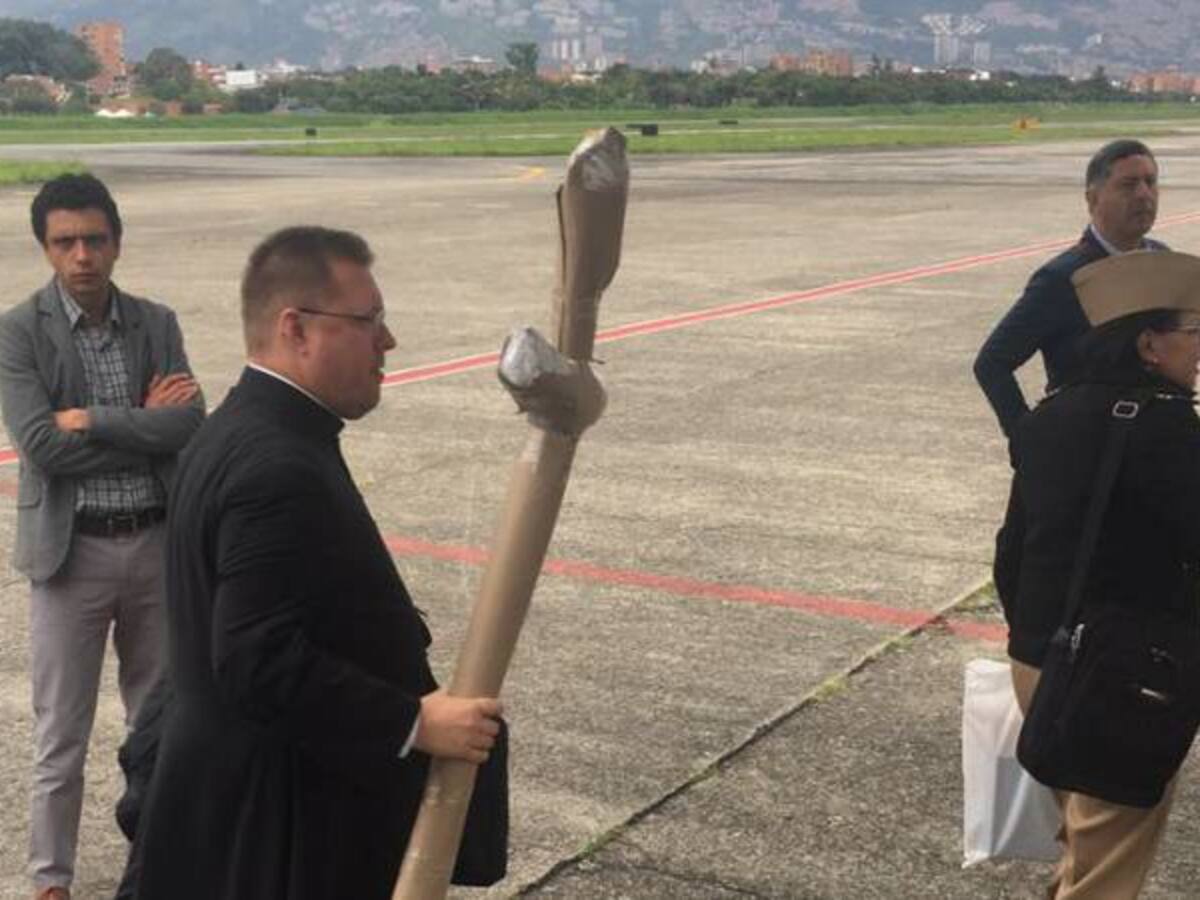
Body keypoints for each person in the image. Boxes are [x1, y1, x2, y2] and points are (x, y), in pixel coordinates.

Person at [130, 226, 505, 899]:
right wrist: (415, 722)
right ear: (296, 329)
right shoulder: (276, 466)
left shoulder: (239, 431)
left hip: (223, 804)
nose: (386, 341)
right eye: (369, 321)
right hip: (277, 834)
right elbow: (253, 657)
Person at [0, 174, 203, 900]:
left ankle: (156, 866)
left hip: (154, 546)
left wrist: (91, 419)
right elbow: (41, 448)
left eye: (95, 239)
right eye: (65, 242)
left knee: (160, 729)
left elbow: (187, 423)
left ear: (117, 242)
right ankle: (50, 881)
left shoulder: (156, 322)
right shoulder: (19, 331)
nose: (82, 255)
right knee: (61, 737)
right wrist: (140, 424)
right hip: (71, 555)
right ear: (46, 249)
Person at [996, 250, 1200, 898]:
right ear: (1148, 342)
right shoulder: (1176, 433)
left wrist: (1038, 638)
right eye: (1194, 332)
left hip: (1038, 665)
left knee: (1083, 841)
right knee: (1109, 872)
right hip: (1126, 677)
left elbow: (1010, 556)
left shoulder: (1048, 419)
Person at [975, 139, 1165, 443]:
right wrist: (1027, 440)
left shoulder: (1163, 260)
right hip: (1093, 446)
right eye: (1129, 185)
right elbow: (992, 363)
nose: (1144, 194)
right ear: (1093, 199)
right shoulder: (1064, 278)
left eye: (1150, 182)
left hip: (1154, 440)